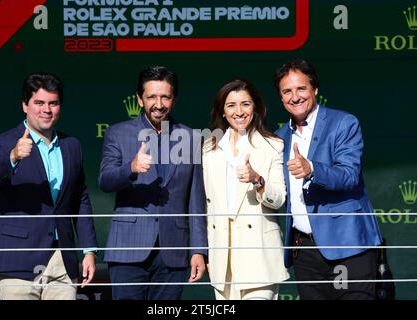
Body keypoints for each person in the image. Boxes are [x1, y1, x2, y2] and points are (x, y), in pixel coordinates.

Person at [0, 72, 98, 300]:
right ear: (25, 105)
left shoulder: (72, 145)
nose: (47, 109)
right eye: (39, 103)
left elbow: (80, 200)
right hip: (18, 259)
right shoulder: (3, 142)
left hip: (62, 259)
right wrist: (12, 156)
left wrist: (89, 250)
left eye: (53, 103)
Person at [273, 59, 382, 300]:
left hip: (347, 245)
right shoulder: (280, 137)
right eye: (287, 91)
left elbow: (349, 175)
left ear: (315, 89)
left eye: (301, 88)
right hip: (305, 251)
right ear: (281, 98)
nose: (295, 97)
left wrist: (311, 168)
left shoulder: (343, 123)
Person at [98, 66, 207, 300]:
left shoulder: (191, 138)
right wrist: (131, 168)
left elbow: (196, 201)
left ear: (174, 99)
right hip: (127, 249)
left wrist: (199, 250)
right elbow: (105, 181)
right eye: (151, 97)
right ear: (139, 99)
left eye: (165, 96)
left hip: (173, 251)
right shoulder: (117, 133)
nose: (159, 104)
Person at [202, 79, 289, 300]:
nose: (239, 112)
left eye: (246, 104)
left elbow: (279, 199)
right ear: (222, 111)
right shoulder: (208, 148)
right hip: (223, 260)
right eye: (231, 105)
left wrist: (257, 180)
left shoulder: (273, 145)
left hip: (258, 255)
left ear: (256, 108)